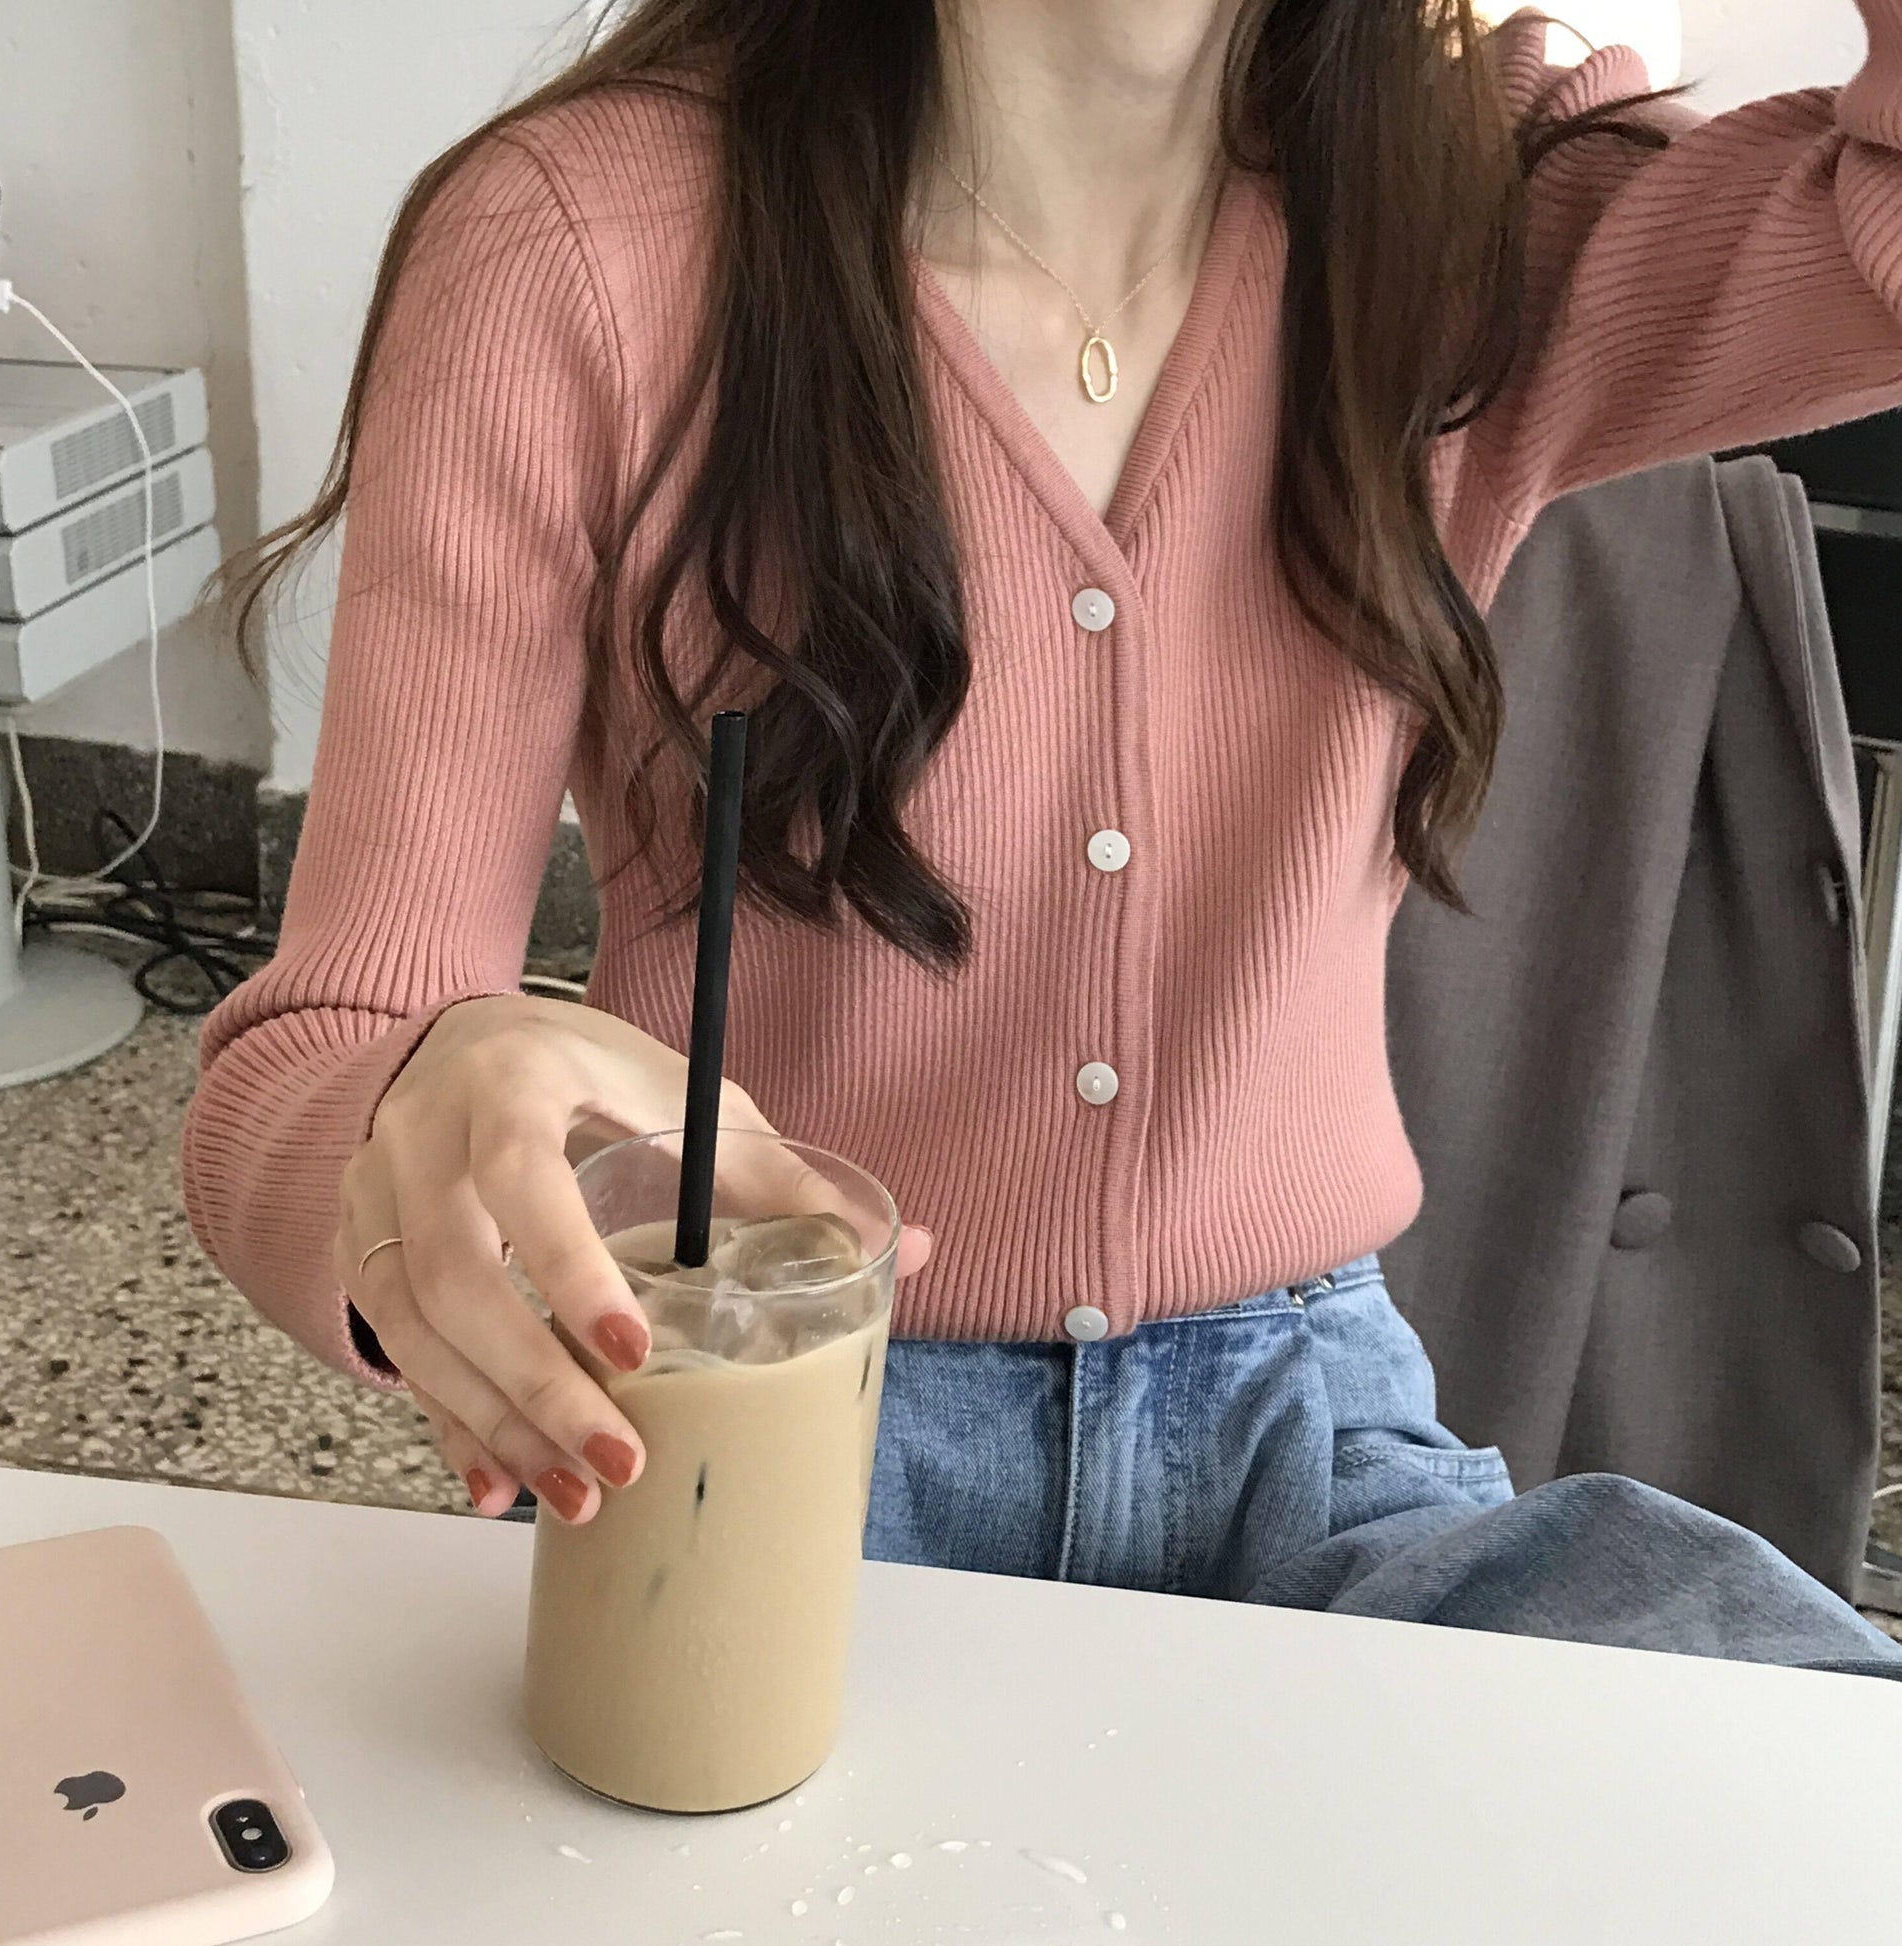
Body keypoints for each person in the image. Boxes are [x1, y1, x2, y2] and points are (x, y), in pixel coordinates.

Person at [187, 0, 1902, 1673]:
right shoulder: (577, 244)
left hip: (1314, 1435)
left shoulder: (1477, 208)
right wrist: (420, 1110)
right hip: (761, 1412)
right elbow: (310, 1057)